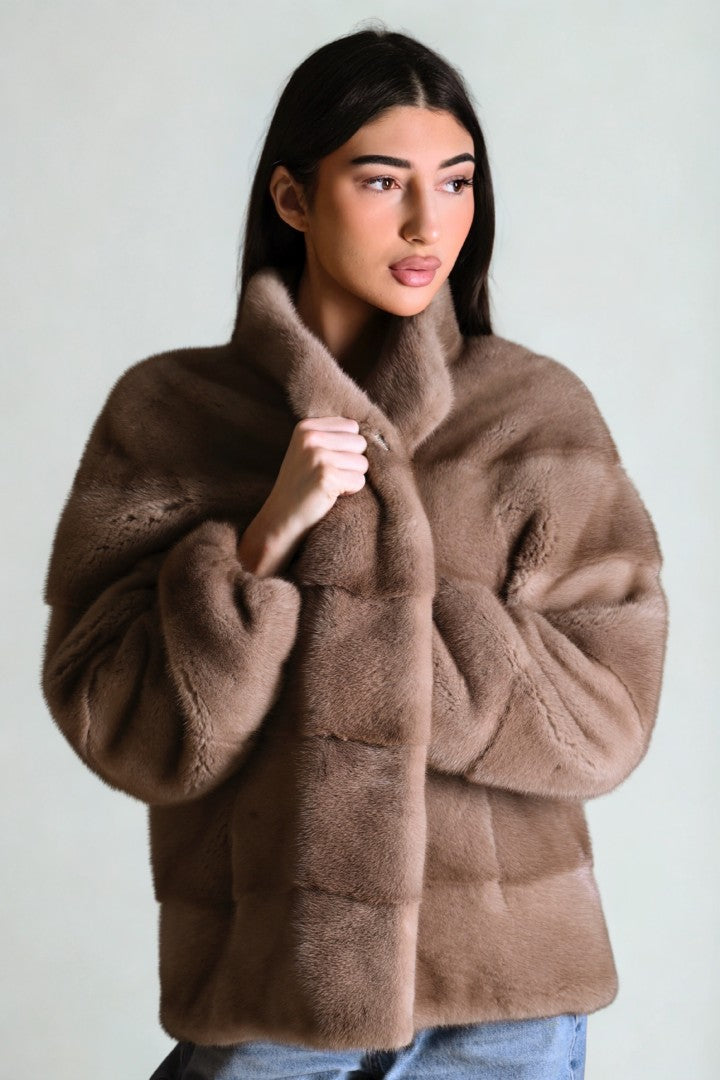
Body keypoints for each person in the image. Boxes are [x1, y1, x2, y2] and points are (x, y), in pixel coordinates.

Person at [40, 23, 669, 1080]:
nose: (432, 222)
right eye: (384, 181)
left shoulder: (534, 414)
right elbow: (122, 721)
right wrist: (257, 551)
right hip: (269, 1003)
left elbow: (606, 717)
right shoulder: (170, 414)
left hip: (506, 1014)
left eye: (458, 182)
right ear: (292, 197)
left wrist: (382, 621)